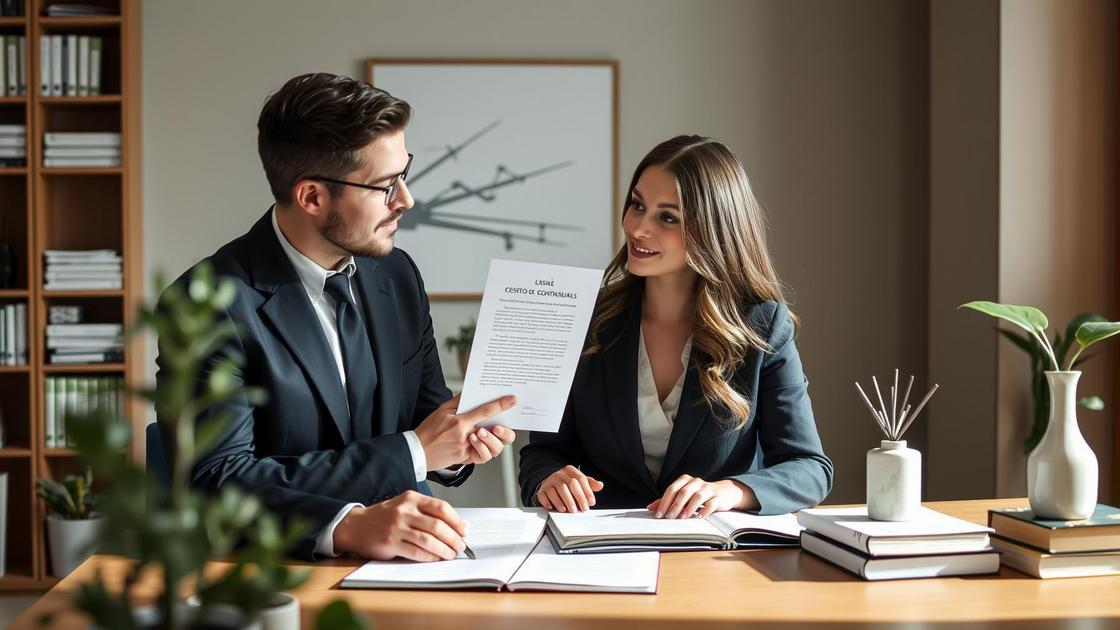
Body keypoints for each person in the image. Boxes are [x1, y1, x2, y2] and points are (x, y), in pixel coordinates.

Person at [156, 73, 516, 561]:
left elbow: (424, 424)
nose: (407, 200)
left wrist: (458, 446)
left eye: (405, 174)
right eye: (386, 185)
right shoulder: (204, 304)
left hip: (411, 563)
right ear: (312, 197)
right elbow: (218, 482)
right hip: (272, 572)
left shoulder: (398, 276)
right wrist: (350, 521)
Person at [519, 135, 832, 519]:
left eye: (667, 217)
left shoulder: (761, 325)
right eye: (637, 205)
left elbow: (810, 469)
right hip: (599, 549)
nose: (638, 228)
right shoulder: (583, 316)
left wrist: (730, 491)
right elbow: (543, 452)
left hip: (715, 557)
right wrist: (549, 478)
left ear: (713, 229)